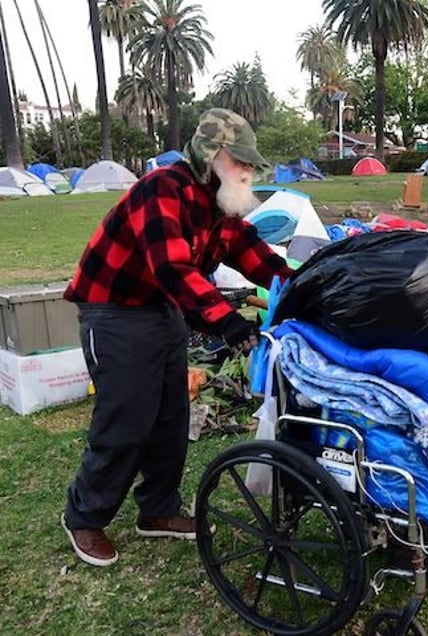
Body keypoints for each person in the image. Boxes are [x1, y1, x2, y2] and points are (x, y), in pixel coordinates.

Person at [61, 108, 295, 567]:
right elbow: (171, 267)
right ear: (211, 156)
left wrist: (295, 282)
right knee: (126, 418)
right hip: (114, 310)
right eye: (240, 161)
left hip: (161, 308)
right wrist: (225, 320)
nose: (248, 170)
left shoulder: (218, 203)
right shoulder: (161, 189)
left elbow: (249, 249)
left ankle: (159, 510)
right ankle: (84, 517)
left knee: (171, 416)